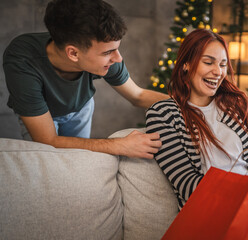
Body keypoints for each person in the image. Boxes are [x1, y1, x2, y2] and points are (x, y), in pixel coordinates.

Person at [146, 29, 248, 239]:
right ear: (186, 64)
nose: (218, 72)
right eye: (208, 62)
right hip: (208, 215)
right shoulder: (163, 115)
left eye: (222, 64)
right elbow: (188, 186)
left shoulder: (238, 108)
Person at [3, 0, 167, 158]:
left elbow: (137, 96)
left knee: (78, 159)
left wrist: (187, 105)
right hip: (41, 116)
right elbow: (48, 140)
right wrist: (119, 145)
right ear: (73, 53)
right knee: (49, 162)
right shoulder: (22, 60)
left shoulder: (108, 53)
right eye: (107, 52)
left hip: (81, 106)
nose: (118, 58)